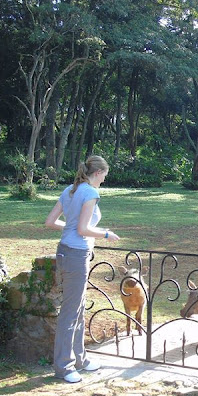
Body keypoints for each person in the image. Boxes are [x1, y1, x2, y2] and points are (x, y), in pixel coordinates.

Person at [45, 155, 120, 383]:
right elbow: (83, 229)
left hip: (66, 251)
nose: (104, 181)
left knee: (77, 309)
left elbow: (50, 221)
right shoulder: (90, 193)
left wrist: (70, 228)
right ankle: (64, 367)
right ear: (97, 173)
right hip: (76, 255)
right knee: (70, 312)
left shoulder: (71, 189)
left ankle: (80, 359)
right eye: (104, 176)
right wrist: (106, 233)